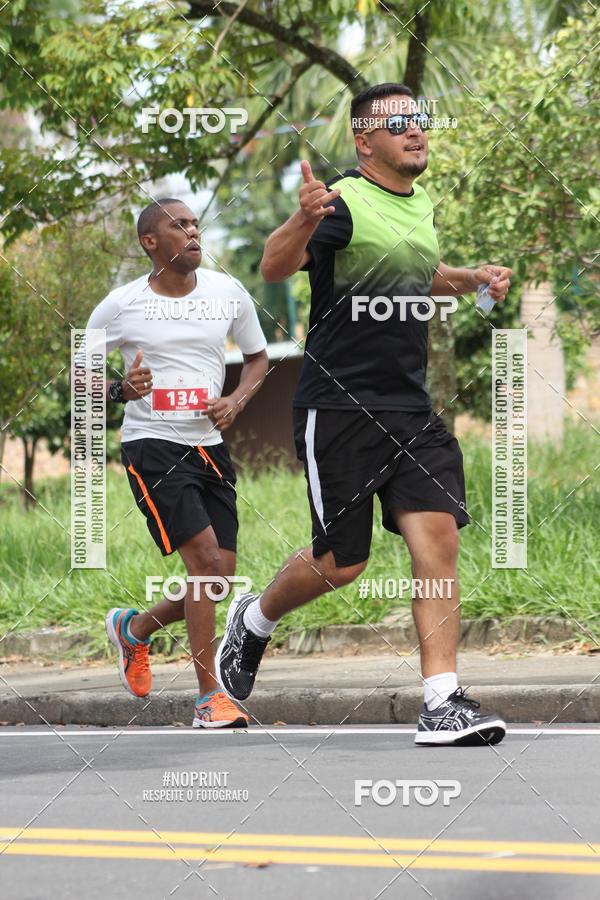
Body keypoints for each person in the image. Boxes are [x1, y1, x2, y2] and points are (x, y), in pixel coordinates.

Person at [216, 83, 513, 746]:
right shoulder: (342, 202)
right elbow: (273, 266)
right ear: (364, 140)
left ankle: (441, 702)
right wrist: (304, 219)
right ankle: (254, 621)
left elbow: (418, 269)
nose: (417, 131)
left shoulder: (421, 201)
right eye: (399, 122)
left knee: (438, 542)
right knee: (340, 563)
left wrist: (471, 279)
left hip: (411, 407)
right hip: (341, 405)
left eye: (421, 120)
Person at [85, 198, 268, 728]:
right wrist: (120, 388)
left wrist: (235, 399)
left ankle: (134, 629)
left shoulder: (226, 292)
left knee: (218, 577)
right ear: (151, 242)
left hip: (209, 444)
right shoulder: (120, 306)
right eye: (178, 225)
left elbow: (258, 359)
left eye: (194, 224)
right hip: (152, 444)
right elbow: (79, 378)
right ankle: (210, 698)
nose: (192, 231)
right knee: (207, 565)